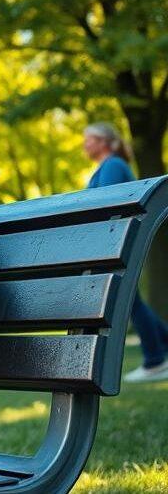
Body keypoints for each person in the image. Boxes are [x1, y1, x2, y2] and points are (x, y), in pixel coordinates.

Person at [83, 122, 168, 382]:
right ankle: (159, 352)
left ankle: (155, 359)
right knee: (131, 300)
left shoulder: (112, 166)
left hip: (113, 243)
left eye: (89, 139)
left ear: (104, 141)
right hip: (111, 243)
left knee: (128, 300)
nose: (84, 144)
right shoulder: (107, 167)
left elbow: (105, 205)